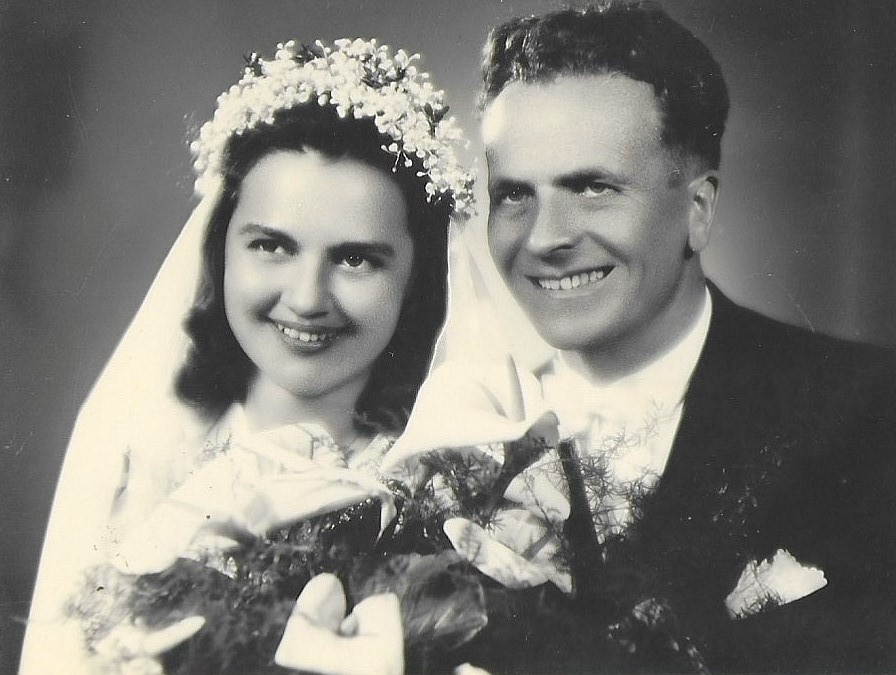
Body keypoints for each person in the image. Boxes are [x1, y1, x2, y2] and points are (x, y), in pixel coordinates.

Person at [385, 2, 896, 672]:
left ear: (698, 210)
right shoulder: (456, 432)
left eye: (593, 187)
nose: (543, 238)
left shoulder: (869, 411)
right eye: (514, 195)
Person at [19, 38, 472, 674]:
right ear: (220, 249)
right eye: (272, 246)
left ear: (417, 279)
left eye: (355, 258)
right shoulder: (138, 463)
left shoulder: (454, 489)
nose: (307, 299)